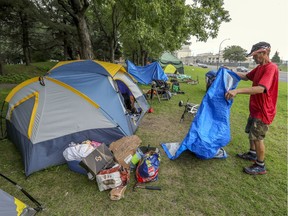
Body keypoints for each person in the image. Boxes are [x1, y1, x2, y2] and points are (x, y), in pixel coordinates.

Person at [225, 42, 279, 175]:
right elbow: (246, 76)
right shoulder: (260, 67)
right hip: (255, 108)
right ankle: (252, 153)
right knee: (251, 133)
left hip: (263, 110)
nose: (253, 58)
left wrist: (237, 91)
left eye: (255, 55)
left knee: (257, 137)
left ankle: (260, 165)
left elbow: (261, 89)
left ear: (264, 53)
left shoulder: (270, 68)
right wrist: (229, 71)